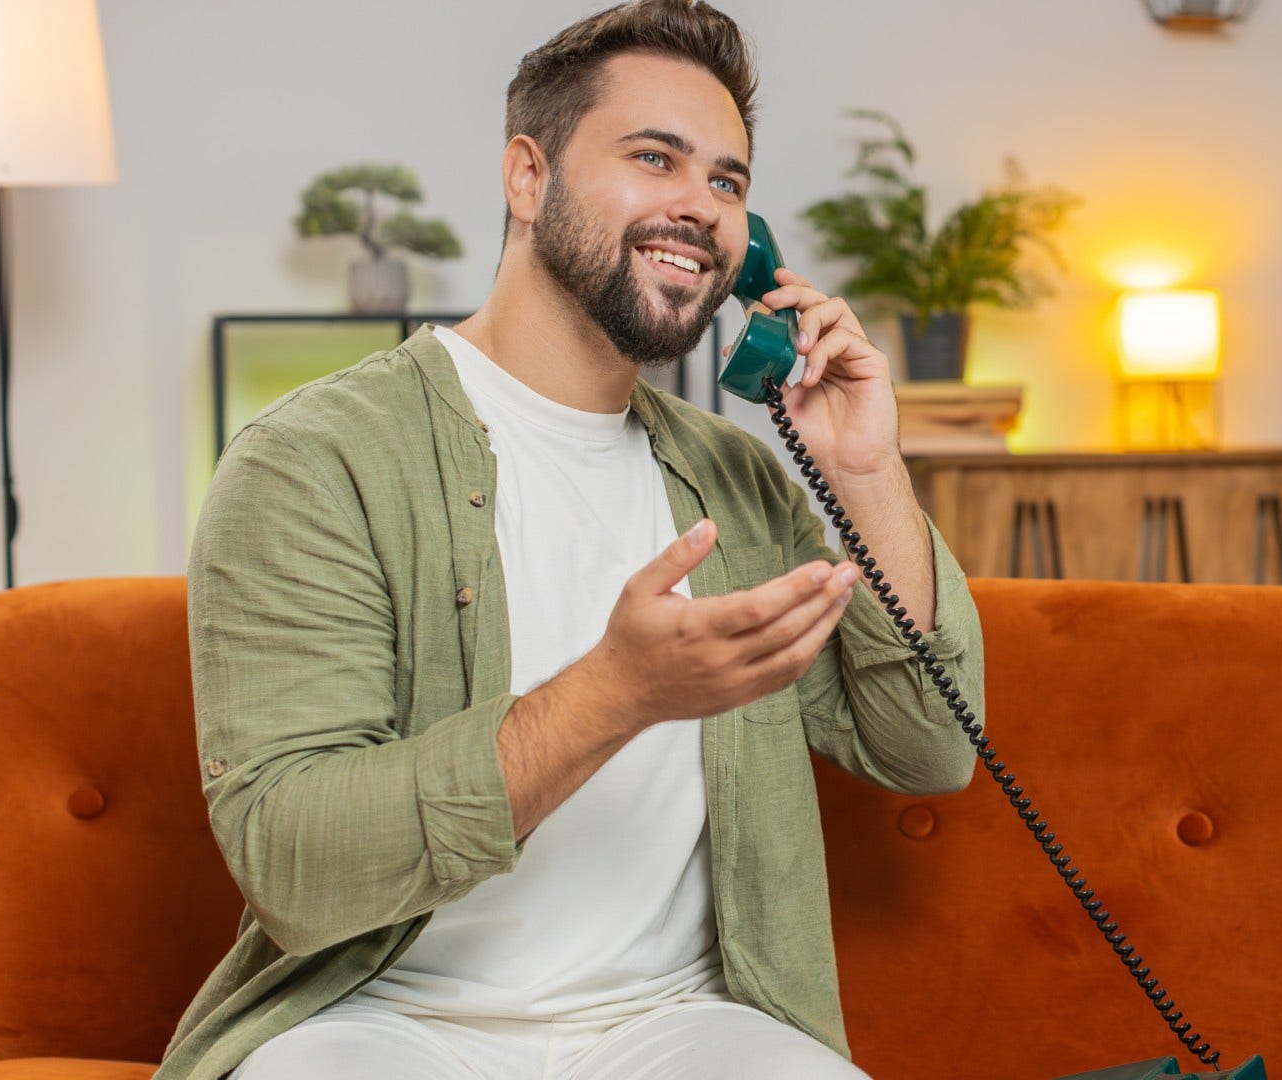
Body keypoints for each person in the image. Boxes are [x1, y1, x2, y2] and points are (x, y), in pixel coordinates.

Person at [157, 2, 982, 1076]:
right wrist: (613, 694)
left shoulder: (735, 478)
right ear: (526, 177)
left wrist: (866, 474)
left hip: (679, 1024)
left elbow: (928, 748)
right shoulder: (315, 460)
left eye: (728, 183)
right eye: (656, 159)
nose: (703, 209)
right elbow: (294, 861)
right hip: (376, 1021)